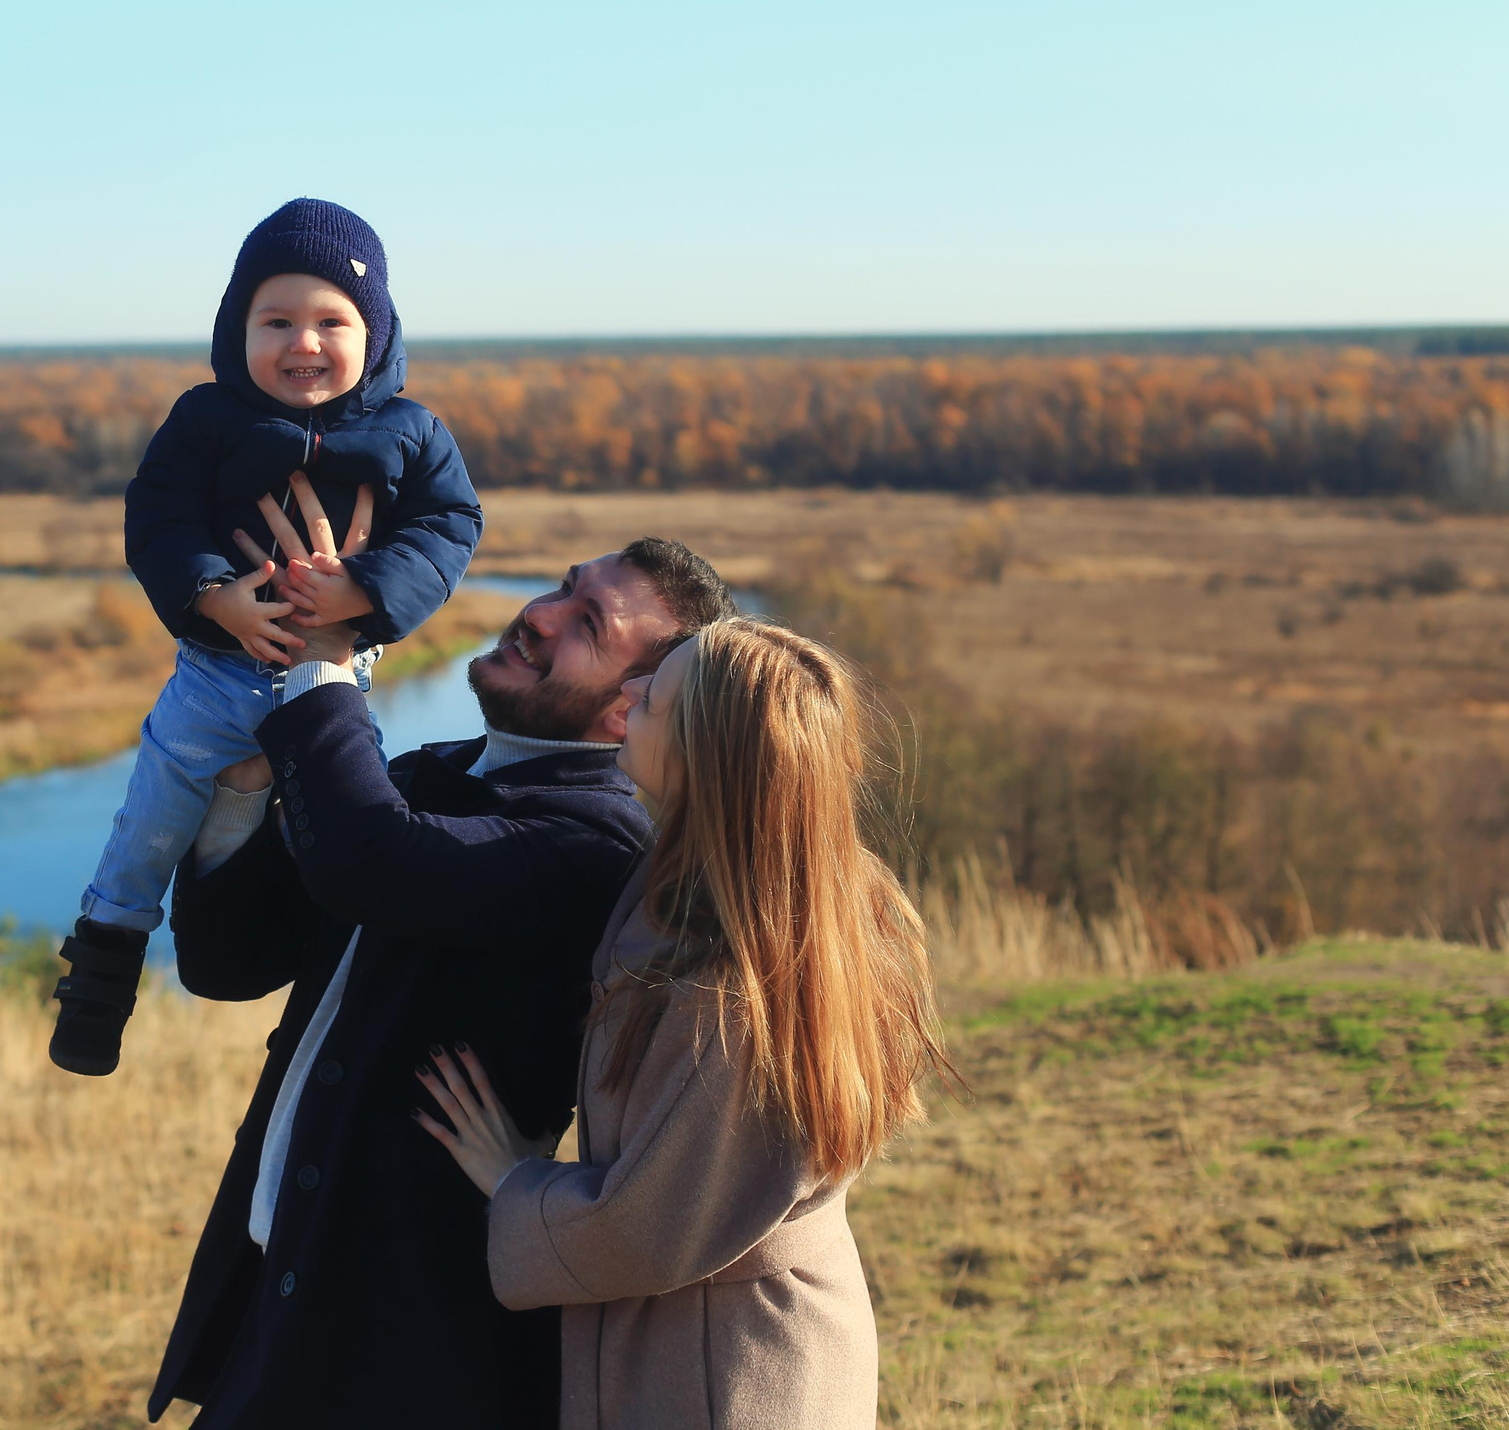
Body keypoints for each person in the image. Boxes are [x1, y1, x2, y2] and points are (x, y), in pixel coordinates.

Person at [146, 509, 736, 1429]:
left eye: (588, 625)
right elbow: (228, 961)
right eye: (564, 586)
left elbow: (370, 859)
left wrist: (323, 662)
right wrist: (248, 776)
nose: (541, 613)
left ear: (631, 705)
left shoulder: (595, 848)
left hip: (414, 1350)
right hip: (286, 1291)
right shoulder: (424, 780)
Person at [415, 618, 951, 1430]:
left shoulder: (738, 988)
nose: (628, 691)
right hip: (717, 1337)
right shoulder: (782, 899)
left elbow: (643, 1229)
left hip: (725, 1369)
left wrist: (515, 1180)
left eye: (656, 696)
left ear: (709, 761)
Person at [51, 196, 484, 1076]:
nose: (304, 342)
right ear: (235, 328)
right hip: (215, 678)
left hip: (333, 684)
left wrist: (362, 589)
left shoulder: (411, 431)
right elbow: (159, 517)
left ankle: (330, 1021)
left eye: (333, 320)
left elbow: (449, 524)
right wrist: (216, 596)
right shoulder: (206, 420)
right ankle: (96, 1002)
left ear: (379, 333)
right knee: (146, 837)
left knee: (341, 843)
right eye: (275, 319)